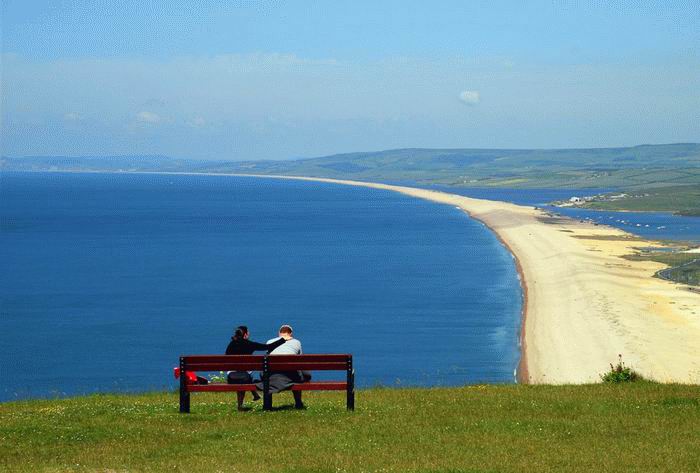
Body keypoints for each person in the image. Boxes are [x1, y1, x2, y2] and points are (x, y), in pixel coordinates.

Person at [225, 325, 286, 410]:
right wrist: (283, 340)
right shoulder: (250, 344)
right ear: (245, 334)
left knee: (242, 376)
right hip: (244, 377)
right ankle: (252, 397)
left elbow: (226, 359)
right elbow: (268, 347)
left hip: (231, 377)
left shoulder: (231, 345)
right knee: (244, 377)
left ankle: (241, 405)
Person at [263, 324, 311, 409]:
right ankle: (298, 402)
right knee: (297, 373)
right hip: (291, 376)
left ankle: (267, 405)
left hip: (272, 376)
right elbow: (300, 361)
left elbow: (266, 359)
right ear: (291, 333)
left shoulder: (270, 342)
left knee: (266, 373)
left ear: (279, 333)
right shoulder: (297, 342)